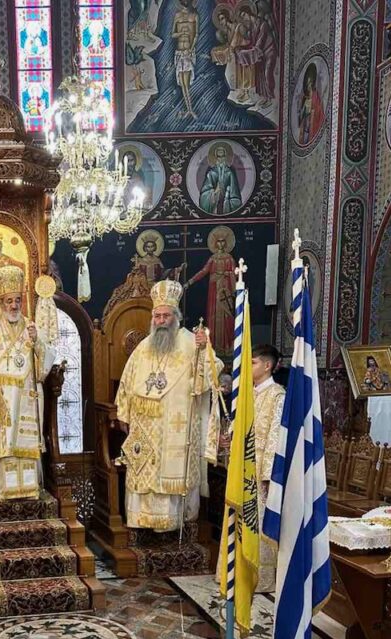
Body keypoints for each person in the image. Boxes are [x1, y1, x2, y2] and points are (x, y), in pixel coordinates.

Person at [115, 279, 222, 532]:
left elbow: (211, 374)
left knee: (171, 471)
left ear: (176, 317)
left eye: (166, 315)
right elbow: (127, 381)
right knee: (143, 469)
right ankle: (141, 519)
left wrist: (204, 349)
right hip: (144, 425)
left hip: (176, 423)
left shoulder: (191, 342)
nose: (161, 320)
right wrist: (123, 413)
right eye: (157, 316)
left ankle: (172, 521)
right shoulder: (144, 347)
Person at [0, 266, 56, 502]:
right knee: (3, 444)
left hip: (28, 396)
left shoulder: (31, 329)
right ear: (1, 302)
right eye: (9, 301)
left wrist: (37, 342)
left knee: (26, 441)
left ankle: (30, 488)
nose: (14, 305)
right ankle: (1, 489)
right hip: (1, 398)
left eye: (17, 300)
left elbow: (45, 364)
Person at [217, 345, 285, 591]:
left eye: (253, 362)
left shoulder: (278, 396)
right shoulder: (246, 393)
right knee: (236, 520)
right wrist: (228, 440)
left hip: (259, 472)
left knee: (257, 522)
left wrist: (267, 475)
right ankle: (233, 571)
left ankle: (258, 578)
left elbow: (276, 438)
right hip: (240, 468)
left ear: (267, 365)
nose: (248, 366)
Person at [186, 229, 237, 357]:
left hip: (225, 290)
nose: (221, 244)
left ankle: (227, 346)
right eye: (218, 242)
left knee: (227, 317)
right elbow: (204, 271)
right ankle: (214, 347)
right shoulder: (213, 258)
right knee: (214, 316)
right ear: (215, 243)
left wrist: (228, 275)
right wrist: (190, 282)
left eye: (223, 241)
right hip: (214, 291)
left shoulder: (229, 258)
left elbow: (235, 273)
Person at [199, 143, 242, 215]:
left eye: (223, 156)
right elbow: (204, 193)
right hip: (214, 204)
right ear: (216, 157)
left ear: (225, 157)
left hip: (226, 203)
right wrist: (214, 192)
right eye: (219, 157)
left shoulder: (230, 173)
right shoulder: (211, 173)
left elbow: (235, 194)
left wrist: (228, 194)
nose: (221, 159)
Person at [172, 0, 198, 120]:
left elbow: (196, 35)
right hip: (179, 52)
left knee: (186, 84)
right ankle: (189, 109)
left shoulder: (194, 16)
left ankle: (190, 109)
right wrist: (180, 33)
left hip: (187, 52)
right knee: (182, 84)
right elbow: (173, 34)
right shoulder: (177, 15)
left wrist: (191, 49)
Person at [297, 62, 325, 145]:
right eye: (307, 84)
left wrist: (312, 112)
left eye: (310, 83)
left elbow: (319, 112)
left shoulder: (316, 97)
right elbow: (302, 114)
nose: (308, 86)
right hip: (305, 126)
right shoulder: (305, 98)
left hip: (312, 125)